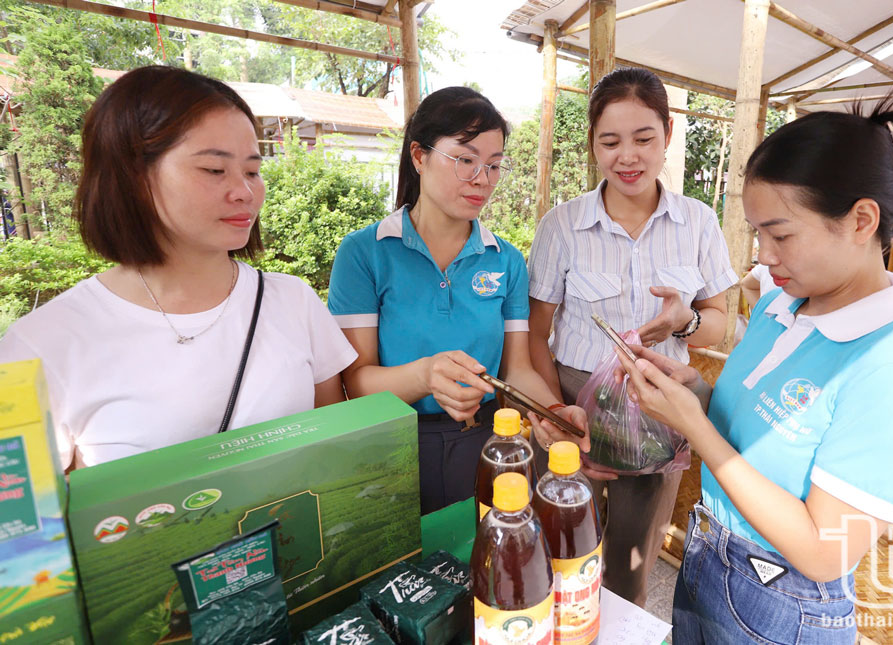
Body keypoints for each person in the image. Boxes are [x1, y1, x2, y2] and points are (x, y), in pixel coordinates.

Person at [617, 105, 893, 643]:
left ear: (861, 221)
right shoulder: (784, 305)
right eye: (758, 234)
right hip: (710, 557)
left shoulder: (892, 372)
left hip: (784, 606)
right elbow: (758, 431)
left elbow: (826, 552)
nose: (763, 255)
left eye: (780, 235)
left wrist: (698, 430)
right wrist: (697, 395)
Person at [0, 66, 358, 471]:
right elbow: (28, 525)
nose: (245, 192)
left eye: (253, 171)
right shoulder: (38, 346)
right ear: (132, 176)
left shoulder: (293, 301)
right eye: (214, 170)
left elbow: (329, 454)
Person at [526, 67, 738, 607]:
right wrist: (556, 416)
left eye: (644, 138)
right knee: (561, 546)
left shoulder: (698, 222)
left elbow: (721, 320)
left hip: (658, 414)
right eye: (611, 141)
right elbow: (536, 334)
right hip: (574, 404)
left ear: (667, 134)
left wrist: (682, 322)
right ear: (593, 144)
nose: (629, 156)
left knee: (631, 558)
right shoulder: (561, 226)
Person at [327, 86, 586, 515]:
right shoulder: (366, 252)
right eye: (465, 160)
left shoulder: (504, 260)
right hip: (391, 447)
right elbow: (356, 384)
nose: (482, 179)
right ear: (418, 156)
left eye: (494, 165)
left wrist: (554, 411)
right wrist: (426, 376)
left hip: (484, 445)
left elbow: (516, 369)